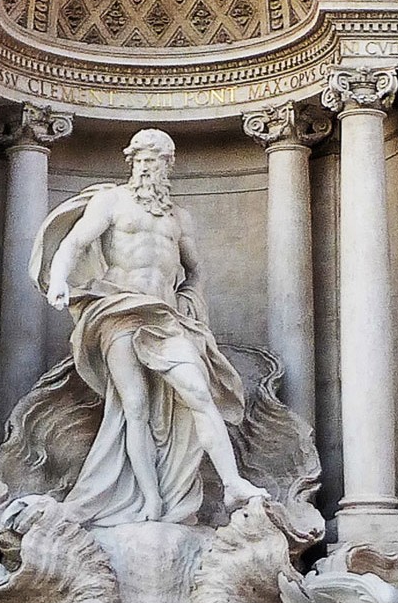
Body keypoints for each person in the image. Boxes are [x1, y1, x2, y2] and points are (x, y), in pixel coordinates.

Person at [34, 129, 265, 526]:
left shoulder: (178, 218)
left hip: (165, 316)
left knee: (198, 391)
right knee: (134, 406)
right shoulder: (112, 201)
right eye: (139, 159)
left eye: (153, 160)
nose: (145, 167)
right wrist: (59, 280)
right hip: (118, 309)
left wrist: (191, 301)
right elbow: (73, 244)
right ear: (131, 163)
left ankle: (233, 484)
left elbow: (194, 270)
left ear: (167, 166)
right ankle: (151, 502)